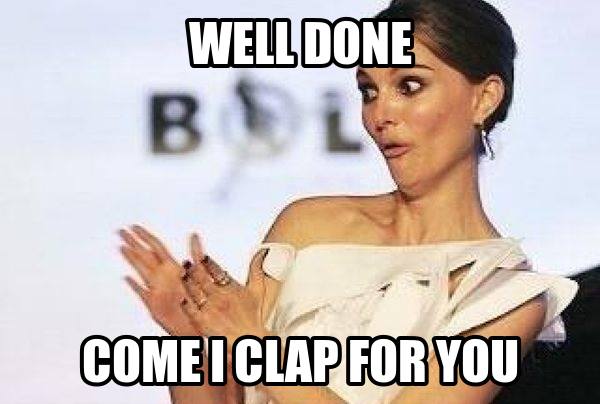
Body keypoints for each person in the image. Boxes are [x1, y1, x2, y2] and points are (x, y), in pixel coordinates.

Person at [118, 0, 579, 402]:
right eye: (368, 91)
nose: (381, 114)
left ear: (485, 99)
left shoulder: (505, 296)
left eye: (409, 85)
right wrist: (188, 337)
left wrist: (256, 348)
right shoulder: (307, 225)